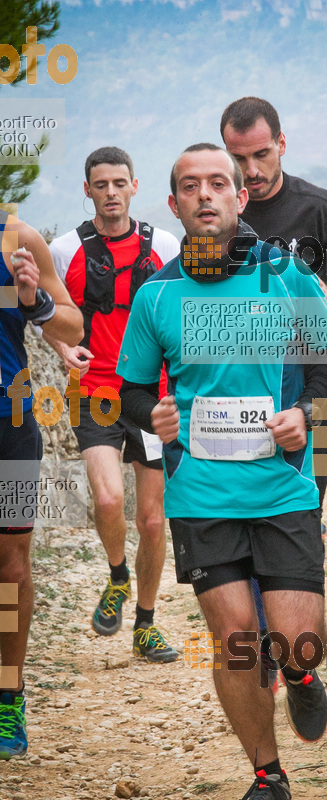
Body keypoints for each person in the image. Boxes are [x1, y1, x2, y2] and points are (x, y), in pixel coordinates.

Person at [117, 143, 327, 800]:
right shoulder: (157, 292)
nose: (206, 195)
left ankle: (301, 674)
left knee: (298, 641)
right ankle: (266, 775)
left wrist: (304, 411)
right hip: (201, 495)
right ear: (174, 204)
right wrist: (151, 416)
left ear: (240, 197)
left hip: (280, 489)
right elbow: (130, 388)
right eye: (191, 186)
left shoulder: (284, 274)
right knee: (237, 641)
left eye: (219, 183)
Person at [46, 146, 180, 663]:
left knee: (152, 520)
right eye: (100, 185)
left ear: (134, 186)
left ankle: (146, 624)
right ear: (87, 191)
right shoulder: (64, 249)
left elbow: (181, 309)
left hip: (150, 395)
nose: (110, 193)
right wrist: (63, 350)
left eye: (119, 183)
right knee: (106, 501)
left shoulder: (163, 244)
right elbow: (47, 314)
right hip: (95, 394)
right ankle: (118, 577)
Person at [220, 96, 327, 510]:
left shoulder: (319, 207)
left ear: (282, 144)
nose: (251, 171)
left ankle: (312, 540)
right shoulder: (217, 214)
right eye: (238, 158)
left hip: (314, 370)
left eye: (262, 154)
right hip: (239, 374)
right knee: (243, 503)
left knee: (308, 499)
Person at [0, 210, 83, 759]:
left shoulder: (15, 239)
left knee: (10, 566)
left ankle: (8, 697)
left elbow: (72, 328)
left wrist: (35, 303)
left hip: (9, 426)